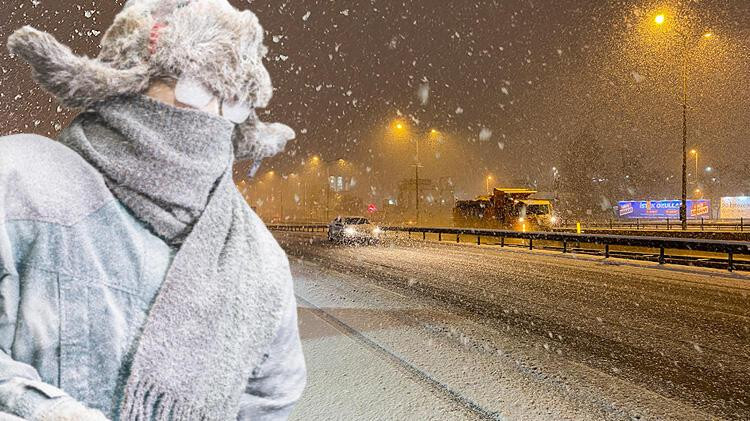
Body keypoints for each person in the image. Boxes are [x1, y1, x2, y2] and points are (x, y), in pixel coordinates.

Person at [0, 0, 305, 419]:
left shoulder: (259, 258)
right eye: (195, 91)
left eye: (232, 103)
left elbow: (270, 398)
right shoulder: (18, 180)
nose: (213, 119)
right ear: (127, 83)